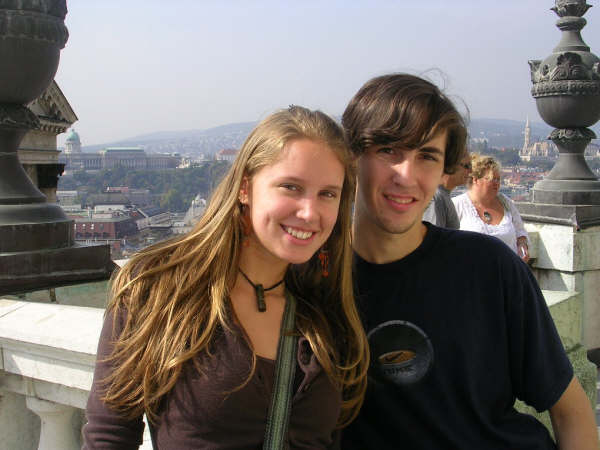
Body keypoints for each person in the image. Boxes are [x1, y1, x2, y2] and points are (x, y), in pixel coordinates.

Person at [83, 106, 369, 449]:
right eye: (291, 187)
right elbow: (109, 436)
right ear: (245, 188)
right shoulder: (159, 290)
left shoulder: (325, 306)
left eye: (328, 194)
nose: (310, 213)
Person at [341, 73, 598, 449]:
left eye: (427, 156)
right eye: (388, 150)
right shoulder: (315, 280)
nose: (406, 176)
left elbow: (571, 411)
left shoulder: (489, 267)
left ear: (444, 170)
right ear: (351, 156)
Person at [453, 154, 530, 262]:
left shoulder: (506, 203)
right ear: (475, 179)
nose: (497, 183)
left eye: (498, 179)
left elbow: (520, 232)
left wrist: (522, 245)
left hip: (507, 270)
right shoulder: (457, 205)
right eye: (492, 179)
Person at [422, 151, 471, 228]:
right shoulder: (436, 197)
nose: (470, 171)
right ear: (451, 166)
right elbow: (433, 234)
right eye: (467, 166)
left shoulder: (442, 196)